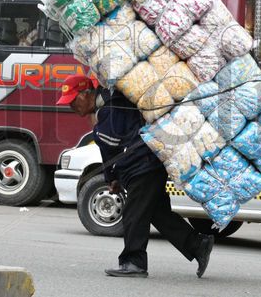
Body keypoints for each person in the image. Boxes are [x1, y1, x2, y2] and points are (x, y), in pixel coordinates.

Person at [57, 74, 214, 278]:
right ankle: (197, 245)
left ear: (86, 94)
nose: (72, 108)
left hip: (142, 165)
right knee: (157, 213)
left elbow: (110, 143)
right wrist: (111, 177)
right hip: (145, 163)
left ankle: (134, 262)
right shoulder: (109, 103)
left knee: (133, 214)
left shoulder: (110, 107)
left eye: (73, 102)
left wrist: (98, 135)